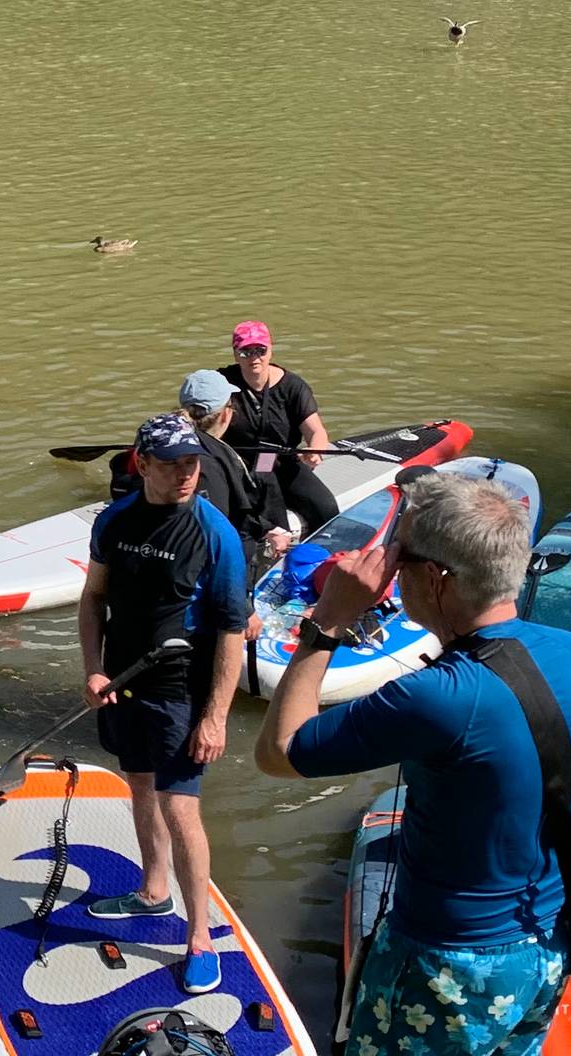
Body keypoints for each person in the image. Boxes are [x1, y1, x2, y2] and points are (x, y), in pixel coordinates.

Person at [254, 473, 571, 1056]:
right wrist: (567, 927)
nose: (387, 568)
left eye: (398, 554)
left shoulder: (436, 696)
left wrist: (328, 622)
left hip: (442, 968)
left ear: (434, 578)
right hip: (546, 950)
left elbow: (279, 753)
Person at [77, 413, 253, 994]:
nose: (186, 474)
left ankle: (199, 936)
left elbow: (231, 632)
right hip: (124, 680)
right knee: (139, 783)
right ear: (142, 464)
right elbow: (93, 598)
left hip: (183, 687)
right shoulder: (114, 520)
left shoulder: (216, 535)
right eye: (173, 463)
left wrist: (215, 717)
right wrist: (94, 669)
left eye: (193, 462)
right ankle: (154, 893)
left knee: (182, 809)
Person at [217, 320, 341, 530]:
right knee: (269, 501)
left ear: (271, 350)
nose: (254, 358)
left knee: (326, 508)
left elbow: (316, 431)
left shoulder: (293, 387)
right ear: (235, 354)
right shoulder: (221, 383)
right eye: (246, 351)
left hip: (281, 460)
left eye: (260, 350)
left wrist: (314, 450)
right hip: (237, 465)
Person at [177, 369, 291, 559]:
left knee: (266, 472)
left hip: (264, 458)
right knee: (266, 476)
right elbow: (222, 522)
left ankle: (278, 530)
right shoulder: (209, 463)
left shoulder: (168, 436)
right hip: (219, 558)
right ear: (225, 414)